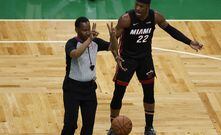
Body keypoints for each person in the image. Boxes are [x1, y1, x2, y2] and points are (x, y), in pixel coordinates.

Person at [107, 0, 203, 134]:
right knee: (118, 93)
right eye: (136, 5)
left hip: (145, 59)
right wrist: (112, 38)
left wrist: (189, 42)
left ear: (148, 7)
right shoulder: (126, 19)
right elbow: (113, 45)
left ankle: (149, 127)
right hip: (127, 60)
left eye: (141, 6)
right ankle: (113, 127)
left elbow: (170, 30)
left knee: (149, 93)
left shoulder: (155, 17)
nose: (138, 9)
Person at [61, 16, 117, 135]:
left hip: (89, 90)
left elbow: (113, 48)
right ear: (76, 29)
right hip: (72, 90)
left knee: (88, 126)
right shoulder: (71, 43)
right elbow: (75, 54)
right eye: (84, 30)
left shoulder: (95, 42)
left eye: (88, 29)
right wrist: (89, 40)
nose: (87, 32)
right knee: (70, 125)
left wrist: (113, 37)